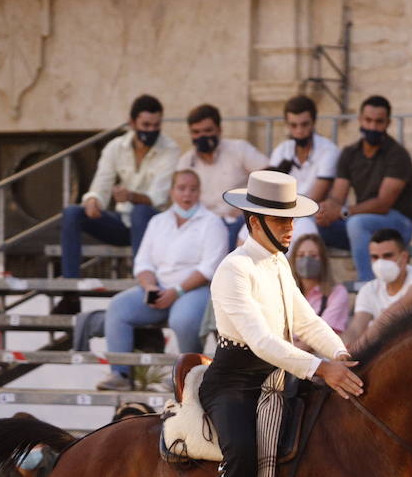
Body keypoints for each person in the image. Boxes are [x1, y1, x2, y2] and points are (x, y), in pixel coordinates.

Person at [205, 170, 362, 477]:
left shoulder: (276, 263)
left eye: (291, 220)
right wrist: (320, 369)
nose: (291, 228)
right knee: (242, 452)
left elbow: (308, 322)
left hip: (278, 377)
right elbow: (261, 340)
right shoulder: (233, 268)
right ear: (254, 221)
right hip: (233, 384)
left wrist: (342, 356)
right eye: (281, 221)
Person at [95, 169, 227, 391]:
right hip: (159, 287)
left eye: (193, 189)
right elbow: (143, 262)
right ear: (171, 191)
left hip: (194, 289)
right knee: (118, 307)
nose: (187, 194)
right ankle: (120, 374)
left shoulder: (212, 222)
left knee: (183, 320)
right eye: (181, 188)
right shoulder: (158, 221)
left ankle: (188, 376)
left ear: (199, 192)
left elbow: (210, 267)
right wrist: (149, 286)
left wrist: (176, 291)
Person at [59, 95, 179, 306]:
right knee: (72, 213)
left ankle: (142, 286)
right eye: (146, 125)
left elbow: (158, 198)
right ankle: (71, 292)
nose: (151, 130)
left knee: (140, 211)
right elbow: (101, 184)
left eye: (156, 125)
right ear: (132, 123)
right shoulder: (115, 147)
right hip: (122, 223)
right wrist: (93, 202)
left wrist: (131, 196)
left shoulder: (170, 149)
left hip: (153, 226)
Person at [315, 95, 412, 281]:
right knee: (309, 226)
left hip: (398, 224)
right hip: (361, 223)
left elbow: (383, 204)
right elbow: (338, 196)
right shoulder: (349, 154)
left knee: (357, 223)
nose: (372, 127)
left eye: (379, 122)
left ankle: (368, 288)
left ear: (388, 123)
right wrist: (327, 211)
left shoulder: (397, 155)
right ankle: (316, 293)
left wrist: (342, 212)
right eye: (368, 120)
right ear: (360, 120)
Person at [177, 103, 269, 248]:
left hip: (239, 219)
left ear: (219, 130)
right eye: (196, 132)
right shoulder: (185, 163)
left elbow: (268, 177)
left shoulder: (239, 149)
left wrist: (247, 206)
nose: (201, 136)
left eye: (207, 130)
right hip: (204, 224)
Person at [343, 229, 412, 347]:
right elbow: (356, 328)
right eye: (375, 257)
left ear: (404, 257)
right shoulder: (368, 290)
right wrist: (339, 347)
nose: (381, 262)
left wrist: (358, 347)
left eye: (387, 255)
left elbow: (399, 308)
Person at [268, 95, 339, 240]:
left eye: (305, 124)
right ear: (287, 125)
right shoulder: (281, 150)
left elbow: (315, 198)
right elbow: (270, 190)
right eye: (294, 125)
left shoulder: (328, 150)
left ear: (313, 122)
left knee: (301, 225)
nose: (299, 130)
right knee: (245, 226)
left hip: (314, 216)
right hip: (285, 214)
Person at [289, 234, 350, 340]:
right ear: (294, 260)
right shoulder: (284, 292)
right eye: (301, 255)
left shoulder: (337, 293)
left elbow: (324, 336)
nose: (307, 260)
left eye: (313, 256)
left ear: (323, 260)